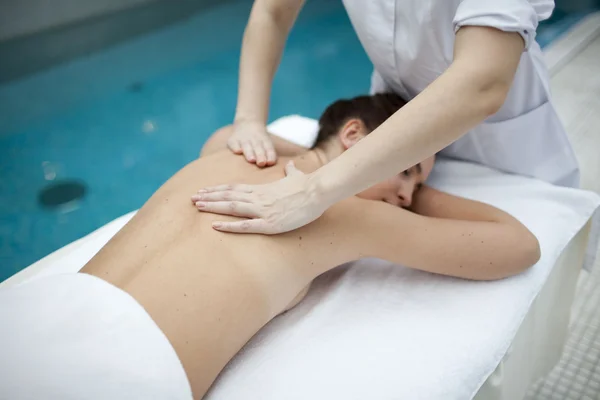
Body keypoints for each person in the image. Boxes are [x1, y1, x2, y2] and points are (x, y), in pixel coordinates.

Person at [0, 94, 540, 400]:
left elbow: (255, 139)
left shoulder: (230, 151)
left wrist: (366, 162)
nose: (405, 193)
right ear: (354, 138)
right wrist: (399, 182)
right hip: (117, 375)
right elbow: (519, 245)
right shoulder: (354, 215)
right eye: (407, 172)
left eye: (414, 187)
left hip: (32, 320)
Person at [195, 0, 580, 235]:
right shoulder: (366, 160)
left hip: (500, 145)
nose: (406, 197)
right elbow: (273, 10)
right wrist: (249, 121)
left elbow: (482, 82)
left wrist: (315, 190)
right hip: (393, 118)